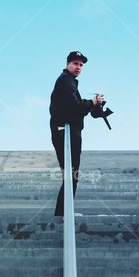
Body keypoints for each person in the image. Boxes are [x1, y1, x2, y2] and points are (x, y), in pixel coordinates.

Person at [49, 50, 105, 216]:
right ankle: (63, 214)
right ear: (67, 64)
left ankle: (62, 213)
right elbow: (74, 107)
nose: (78, 67)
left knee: (71, 175)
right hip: (66, 132)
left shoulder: (69, 81)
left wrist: (93, 106)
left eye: (81, 65)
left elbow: (75, 109)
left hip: (68, 131)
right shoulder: (66, 80)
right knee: (71, 175)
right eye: (75, 63)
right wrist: (92, 102)